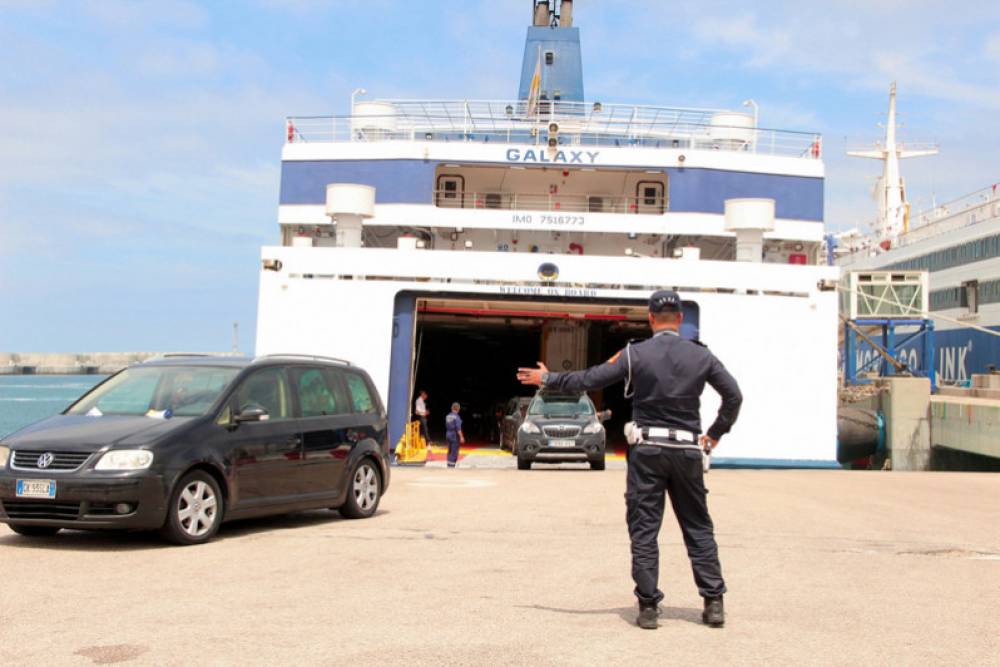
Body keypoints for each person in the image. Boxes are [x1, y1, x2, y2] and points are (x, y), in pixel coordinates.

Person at [517, 290, 742, 630]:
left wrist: (548, 378)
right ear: (680, 319)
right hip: (686, 453)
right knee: (697, 527)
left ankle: (649, 608)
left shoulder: (634, 354)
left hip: (647, 452)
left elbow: (590, 379)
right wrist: (715, 432)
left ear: (650, 319)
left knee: (645, 530)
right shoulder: (702, 356)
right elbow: (733, 395)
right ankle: (713, 604)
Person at [444, 402, 465, 468]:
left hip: (448, 434)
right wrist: (461, 437)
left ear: (452, 408)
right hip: (454, 436)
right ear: (458, 409)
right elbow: (458, 429)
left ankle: (448, 464)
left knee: (449, 450)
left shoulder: (447, 416)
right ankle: (451, 466)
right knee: (454, 451)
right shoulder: (457, 417)